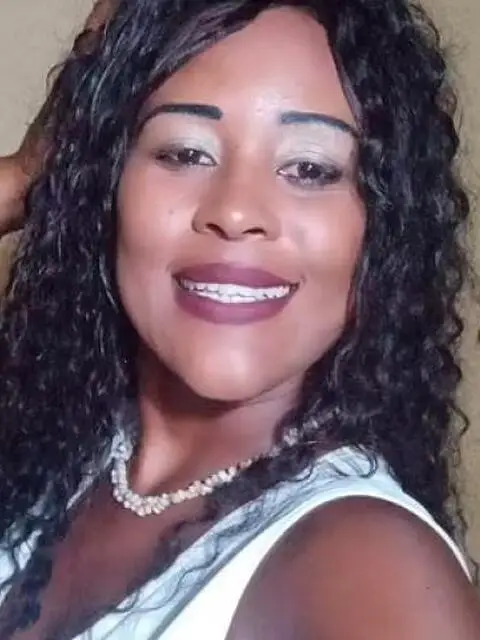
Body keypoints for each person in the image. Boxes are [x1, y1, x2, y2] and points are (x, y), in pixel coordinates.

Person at [0, 0, 479, 637]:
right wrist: (21, 182)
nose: (234, 211)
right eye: (185, 153)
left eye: (309, 168)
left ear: (384, 231)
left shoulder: (367, 566)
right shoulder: (54, 453)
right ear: (103, 185)